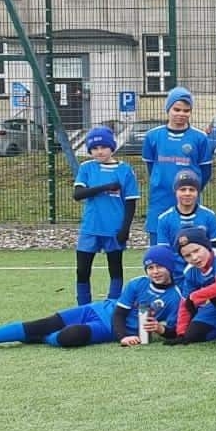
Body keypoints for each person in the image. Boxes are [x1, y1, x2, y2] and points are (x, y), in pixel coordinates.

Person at [0, 246, 184, 352]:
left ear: (170, 267)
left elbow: (175, 331)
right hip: (102, 313)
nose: (155, 271)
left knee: (71, 336)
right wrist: (124, 336)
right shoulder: (137, 284)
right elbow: (120, 313)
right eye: (150, 267)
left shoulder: (176, 296)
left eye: (159, 266)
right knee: (42, 323)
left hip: (108, 330)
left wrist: (160, 329)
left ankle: (42, 339)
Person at [73, 126, 139, 305]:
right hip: (91, 227)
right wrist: (105, 187)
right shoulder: (87, 168)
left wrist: (125, 229)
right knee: (82, 270)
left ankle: (112, 305)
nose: (99, 151)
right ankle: (83, 306)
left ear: (112, 147)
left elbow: (131, 202)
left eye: (103, 147)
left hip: (114, 228)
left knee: (115, 267)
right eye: (94, 148)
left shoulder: (125, 170)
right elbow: (78, 194)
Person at [141, 86, 213, 244]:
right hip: (160, 199)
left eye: (186, 110)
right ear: (168, 109)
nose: (181, 114)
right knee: (159, 250)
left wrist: (190, 189)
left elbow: (206, 171)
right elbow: (151, 167)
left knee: (190, 247)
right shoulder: (152, 136)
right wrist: (160, 181)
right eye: (177, 109)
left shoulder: (200, 138)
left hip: (188, 200)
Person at [151, 170, 216, 269]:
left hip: (203, 270)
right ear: (175, 191)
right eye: (183, 189)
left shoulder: (209, 215)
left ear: (198, 192)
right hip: (177, 272)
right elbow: (164, 253)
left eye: (192, 189)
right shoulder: (164, 219)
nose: (187, 193)